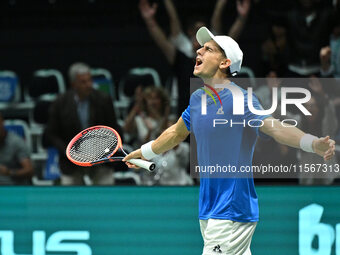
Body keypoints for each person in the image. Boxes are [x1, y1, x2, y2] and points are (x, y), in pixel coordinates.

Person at [123, 27, 336, 254]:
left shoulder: (241, 99)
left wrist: (312, 143)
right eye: (200, 48)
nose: (199, 52)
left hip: (231, 209)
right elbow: (176, 133)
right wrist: (144, 152)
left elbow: (275, 128)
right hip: (210, 209)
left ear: (225, 63)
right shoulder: (198, 99)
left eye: (208, 49)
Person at [139, 0, 250, 114]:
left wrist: (242, 18)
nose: (199, 38)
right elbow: (162, 41)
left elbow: (231, 39)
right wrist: (149, 21)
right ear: (190, 34)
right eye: (196, 32)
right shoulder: (181, 59)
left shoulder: (216, 60)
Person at [45, 62, 121, 185]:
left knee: (106, 189)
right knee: (69, 192)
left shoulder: (103, 100)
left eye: (90, 80)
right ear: (73, 84)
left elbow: (113, 128)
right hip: (71, 160)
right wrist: (68, 152)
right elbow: (51, 134)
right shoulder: (60, 103)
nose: (89, 85)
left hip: (100, 157)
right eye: (83, 82)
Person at [0, 113, 34, 185]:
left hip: (14, 187)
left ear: (2, 123)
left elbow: (29, 171)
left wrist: (9, 172)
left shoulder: (16, 142)